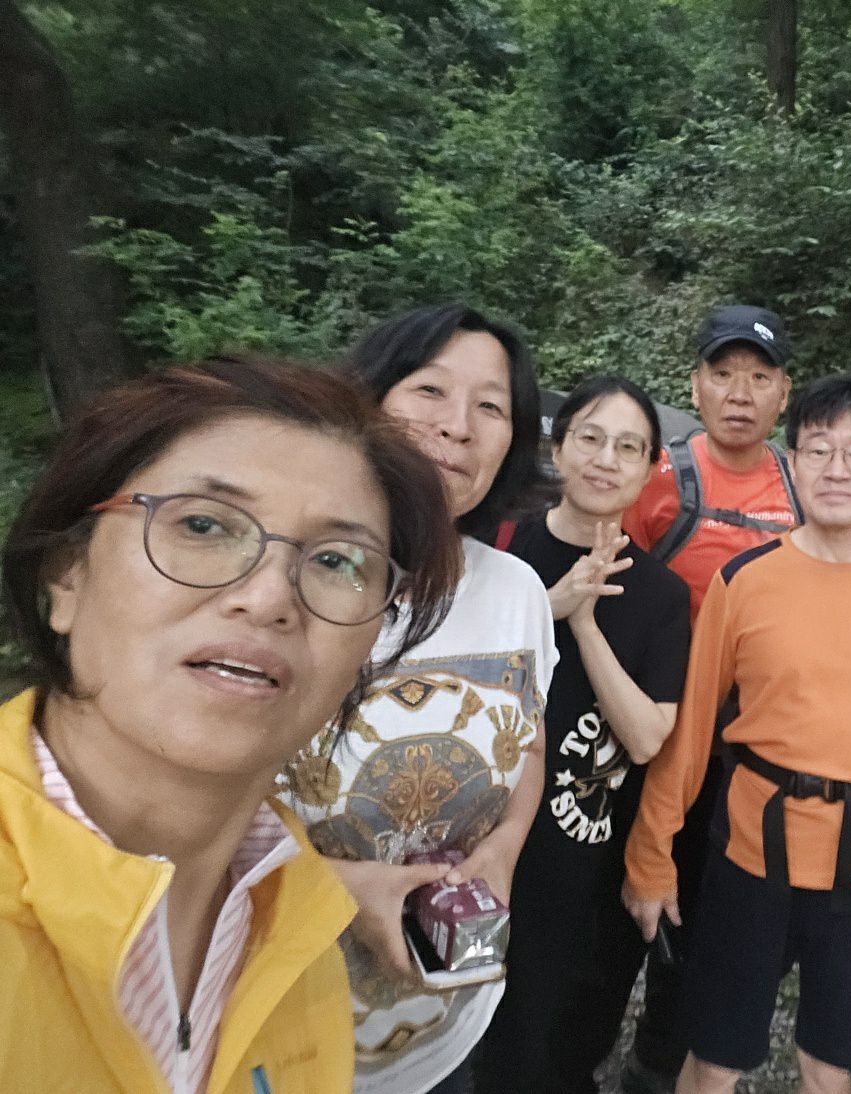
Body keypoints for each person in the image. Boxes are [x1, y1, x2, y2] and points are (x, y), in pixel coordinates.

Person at [0, 357, 461, 1092]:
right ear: (67, 574)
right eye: (204, 525)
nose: (269, 597)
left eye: (338, 560)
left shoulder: (301, 925)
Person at [623, 374, 851, 1094]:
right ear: (792, 462)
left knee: (829, 1064)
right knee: (714, 1055)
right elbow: (691, 733)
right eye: (818, 449)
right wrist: (651, 852)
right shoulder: (745, 580)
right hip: (750, 854)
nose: (836, 468)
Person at [283, 305, 558, 1094]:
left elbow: (527, 738)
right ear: (365, 400)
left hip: (442, 1029)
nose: (457, 427)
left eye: (491, 407)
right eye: (429, 390)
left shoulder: (515, 590)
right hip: (274, 1036)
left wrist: (505, 848)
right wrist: (333, 889)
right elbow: (165, 811)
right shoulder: (277, 579)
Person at [471, 376, 691, 1093]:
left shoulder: (661, 596)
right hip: (475, 841)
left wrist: (585, 624)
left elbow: (647, 737)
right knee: (460, 1029)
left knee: (552, 1044)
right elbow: (449, 679)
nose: (605, 459)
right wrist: (548, 604)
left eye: (628, 447)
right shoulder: (495, 553)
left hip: (583, 860)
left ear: (649, 468)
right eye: (590, 438)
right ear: (558, 448)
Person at [619, 304, 801, 1093]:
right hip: (646, 731)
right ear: (694, 386)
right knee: (614, 903)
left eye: (759, 377)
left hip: (744, 753)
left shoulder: (803, 486)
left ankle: (655, 1063)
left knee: (693, 918)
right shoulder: (657, 479)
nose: (739, 393)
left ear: (783, 394)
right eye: (722, 374)